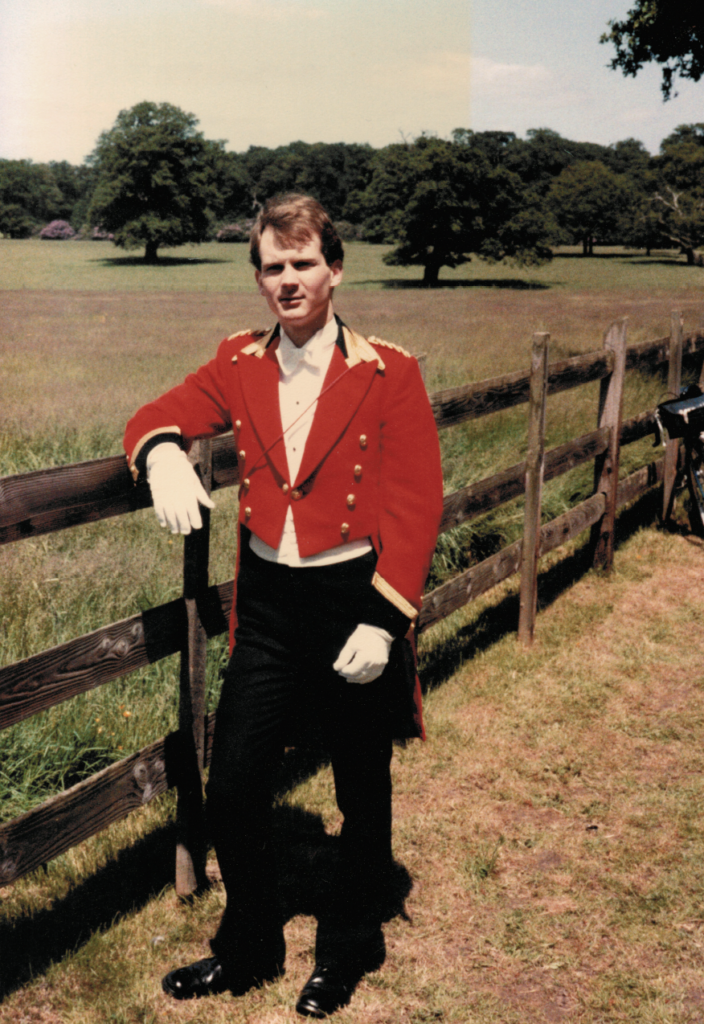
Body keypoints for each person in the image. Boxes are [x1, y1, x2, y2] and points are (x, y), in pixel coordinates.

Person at [123, 193, 444, 1018]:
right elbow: (159, 413)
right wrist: (161, 453)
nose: (289, 280)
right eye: (273, 267)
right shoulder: (239, 361)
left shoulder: (389, 371)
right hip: (268, 604)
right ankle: (251, 944)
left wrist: (384, 617)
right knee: (232, 783)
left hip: (354, 596)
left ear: (334, 269)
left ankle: (346, 946)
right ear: (259, 280)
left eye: (304, 263)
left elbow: (417, 503)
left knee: (360, 789)